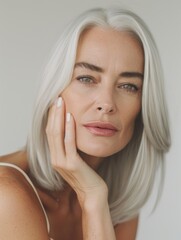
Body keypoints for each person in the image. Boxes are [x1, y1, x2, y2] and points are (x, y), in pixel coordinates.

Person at [0, 7, 170, 240]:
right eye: (86, 78)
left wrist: (94, 198)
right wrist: (92, 196)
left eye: (128, 86)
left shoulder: (116, 199)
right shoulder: (6, 193)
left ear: (144, 107)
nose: (107, 103)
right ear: (54, 92)